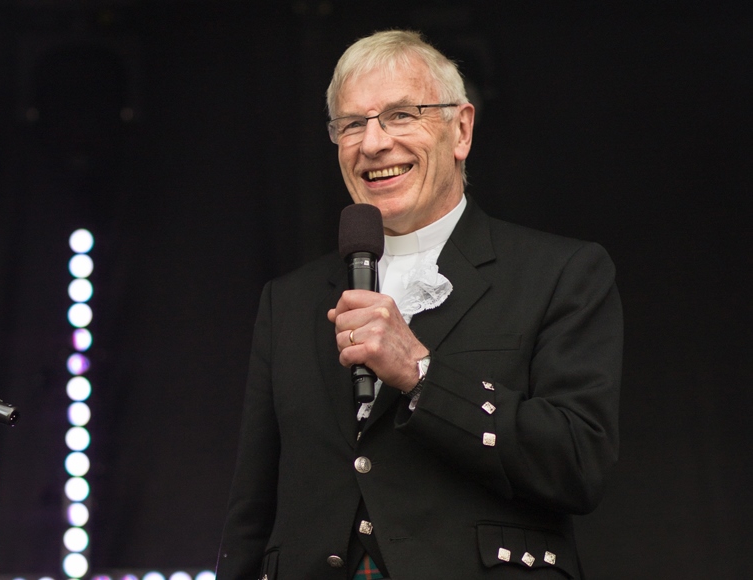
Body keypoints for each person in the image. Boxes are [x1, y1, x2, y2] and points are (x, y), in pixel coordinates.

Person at [217, 29, 622, 579]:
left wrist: (422, 374)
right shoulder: (287, 300)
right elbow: (252, 509)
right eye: (352, 124)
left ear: (461, 130)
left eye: (402, 115)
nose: (374, 143)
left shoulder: (559, 273)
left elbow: (578, 463)